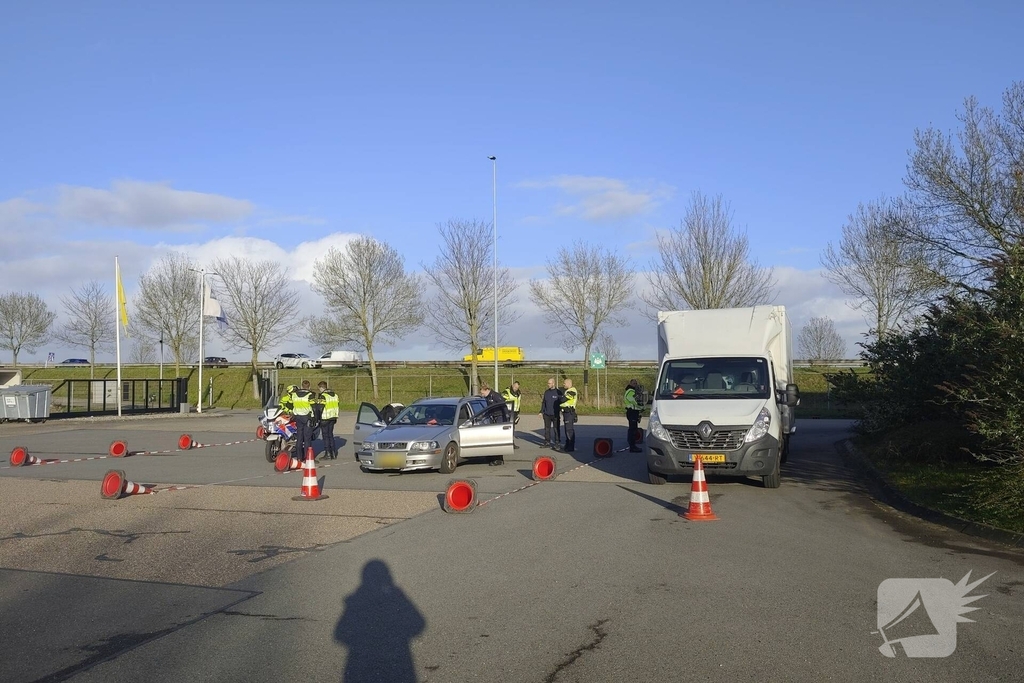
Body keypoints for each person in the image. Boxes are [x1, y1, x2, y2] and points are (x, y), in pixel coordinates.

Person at [479, 385, 506, 466]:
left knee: (497, 440)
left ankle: (499, 459)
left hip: (499, 418)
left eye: (482, 393)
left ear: (486, 390)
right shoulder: (487, 398)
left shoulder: (495, 395)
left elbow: (503, 406)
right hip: (492, 418)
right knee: (492, 440)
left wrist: (507, 418)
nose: (482, 394)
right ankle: (492, 457)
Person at [291, 380, 316, 460]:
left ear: (301, 386)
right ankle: (307, 457)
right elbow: (313, 407)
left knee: (299, 438)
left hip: (298, 417)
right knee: (307, 438)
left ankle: (299, 457)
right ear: (309, 386)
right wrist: (314, 418)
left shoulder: (294, 395)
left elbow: (292, 405)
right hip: (307, 417)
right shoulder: (310, 395)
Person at [317, 381, 340, 459]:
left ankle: (328, 454)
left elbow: (320, 408)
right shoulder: (335, 395)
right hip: (333, 417)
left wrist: (317, 418)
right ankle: (333, 453)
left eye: (319, 388)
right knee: (330, 435)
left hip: (325, 418)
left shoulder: (323, 396)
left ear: (321, 387)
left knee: (325, 436)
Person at [540, 377, 563, 450]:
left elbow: (562, 402)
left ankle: (557, 443)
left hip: (555, 414)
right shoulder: (546, 392)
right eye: (548, 383)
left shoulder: (558, 392)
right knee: (547, 429)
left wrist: (561, 410)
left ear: (553, 383)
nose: (548, 384)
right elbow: (544, 402)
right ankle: (547, 442)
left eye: (549, 383)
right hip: (547, 414)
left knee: (556, 429)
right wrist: (541, 411)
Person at [624, 378, 644, 453]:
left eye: (636, 383)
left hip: (633, 412)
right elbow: (634, 401)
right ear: (630, 383)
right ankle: (632, 447)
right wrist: (641, 406)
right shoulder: (630, 391)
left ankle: (633, 445)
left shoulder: (631, 391)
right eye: (633, 383)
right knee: (632, 430)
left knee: (633, 429)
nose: (635, 384)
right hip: (632, 411)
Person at [559, 378, 578, 452]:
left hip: (569, 412)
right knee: (566, 429)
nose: (563, 384)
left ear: (569, 384)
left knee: (569, 430)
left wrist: (560, 397)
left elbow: (563, 399)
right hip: (566, 412)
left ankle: (570, 446)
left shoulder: (572, 391)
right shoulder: (567, 391)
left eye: (564, 383)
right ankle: (567, 445)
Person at [502, 381, 522, 449]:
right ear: (512, 385)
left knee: (512, 428)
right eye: (515, 387)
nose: (516, 388)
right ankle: (505, 443)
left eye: (517, 387)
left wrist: (518, 411)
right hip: (508, 412)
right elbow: (503, 401)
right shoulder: (506, 392)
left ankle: (511, 443)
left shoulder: (519, 393)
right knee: (507, 428)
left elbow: (518, 402)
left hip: (515, 412)